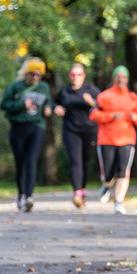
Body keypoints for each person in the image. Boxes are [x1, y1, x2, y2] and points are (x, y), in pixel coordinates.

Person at [0, 57, 52, 213]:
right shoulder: (15, 87)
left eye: (38, 75)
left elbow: (48, 101)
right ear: (26, 74)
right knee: (21, 164)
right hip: (18, 128)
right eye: (32, 74)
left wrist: (48, 108)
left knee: (31, 161)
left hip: (36, 127)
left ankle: (29, 197)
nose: (35, 77)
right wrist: (21, 104)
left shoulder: (43, 87)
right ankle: (21, 195)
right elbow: (4, 105)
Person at [90, 65, 137, 215]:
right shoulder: (104, 96)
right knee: (107, 174)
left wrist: (136, 118)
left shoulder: (132, 98)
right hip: (107, 140)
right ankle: (107, 186)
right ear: (114, 78)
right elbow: (93, 114)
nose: (121, 79)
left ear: (127, 79)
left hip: (127, 140)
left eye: (124, 77)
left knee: (123, 172)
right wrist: (111, 116)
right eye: (118, 76)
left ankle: (119, 202)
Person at [54, 62, 101, 208]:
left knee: (85, 161)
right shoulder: (65, 92)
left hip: (89, 130)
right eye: (73, 74)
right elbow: (53, 103)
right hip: (70, 130)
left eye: (78, 74)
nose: (75, 77)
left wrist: (92, 102)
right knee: (75, 161)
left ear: (83, 76)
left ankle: (82, 189)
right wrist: (57, 108)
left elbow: (103, 106)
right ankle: (77, 193)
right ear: (69, 76)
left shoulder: (91, 90)